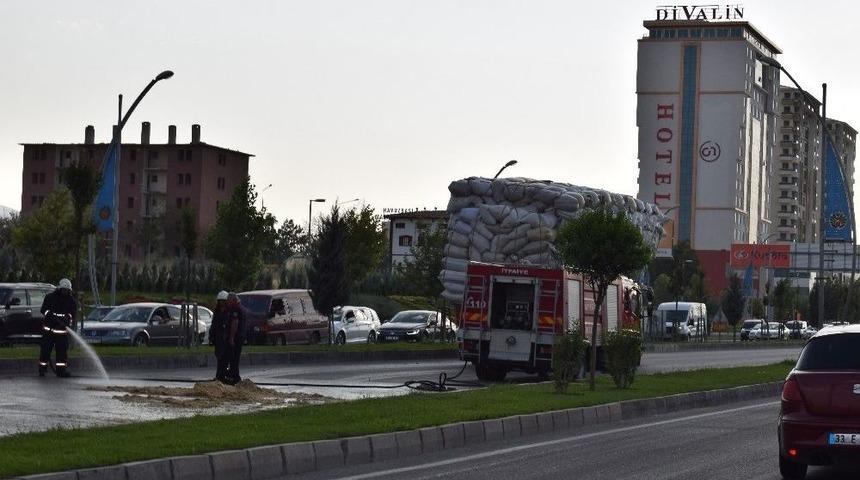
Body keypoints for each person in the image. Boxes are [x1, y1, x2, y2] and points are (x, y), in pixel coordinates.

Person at [39, 278, 77, 378]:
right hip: (49, 331)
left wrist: (67, 318)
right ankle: (42, 369)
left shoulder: (71, 301)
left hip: (62, 332)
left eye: (67, 290)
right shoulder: (50, 297)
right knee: (45, 351)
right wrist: (50, 315)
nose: (65, 292)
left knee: (62, 353)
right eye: (64, 290)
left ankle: (61, 371)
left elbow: (73, 314)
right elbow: (43, 310)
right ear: (59, 289)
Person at [224, 292, 246, 384]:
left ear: (233, 300)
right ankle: (234, 377)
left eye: (228, 301)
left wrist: (231, 338)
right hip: (240, 337)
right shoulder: (242, 308)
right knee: (234, 359)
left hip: (236, 338)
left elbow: (235, 323)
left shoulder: (236, 309)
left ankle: (234, 378)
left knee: (233, 359)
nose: (227, 303)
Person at [211, 290, 230, 383]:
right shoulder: (217, 311)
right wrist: (212, 336)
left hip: (225, 337)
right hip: (218, 337)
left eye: (223, 301)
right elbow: (214, 324)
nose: (221, 303)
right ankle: (219, 376)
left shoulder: (228, 312)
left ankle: (223, 376)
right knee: (219, 357)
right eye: (220, 301)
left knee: (225, 357)